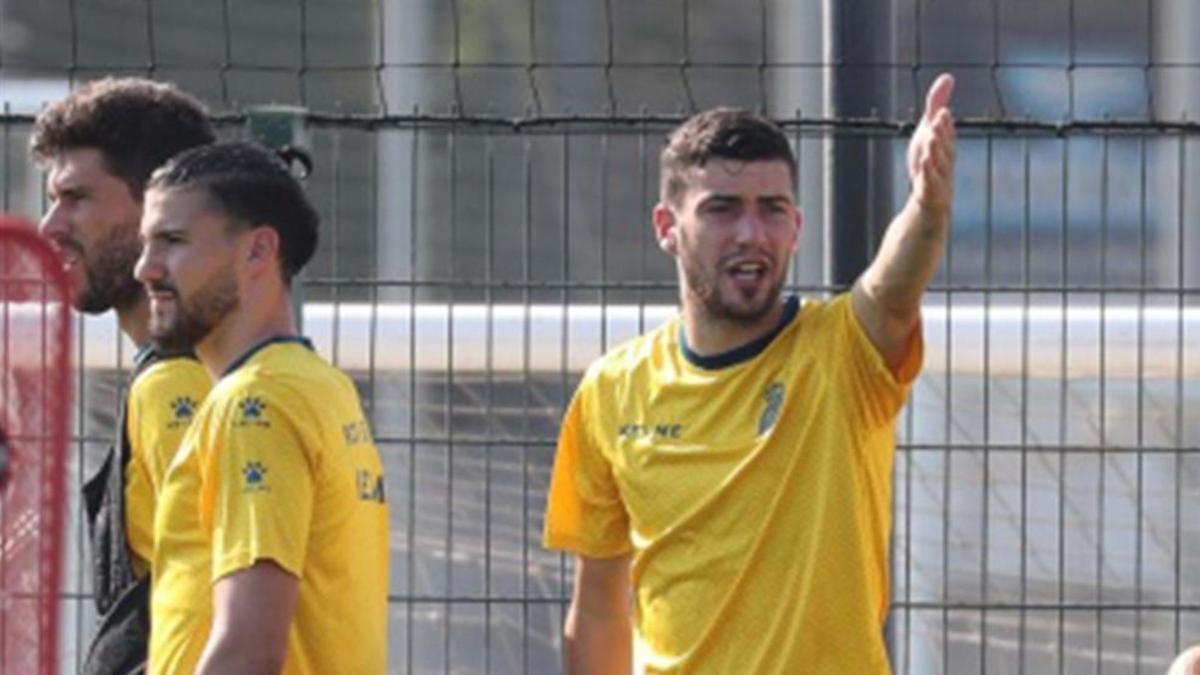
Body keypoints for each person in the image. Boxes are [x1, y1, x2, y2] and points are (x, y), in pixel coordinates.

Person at [542, 74, 957, 673]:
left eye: (772, 210)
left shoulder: (842, 353)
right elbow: (601, 606)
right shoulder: (612, 390)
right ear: (667, 228)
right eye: (722, 209)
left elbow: (893, 289)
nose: (751, 234)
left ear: (796, 228)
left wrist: (926, 206)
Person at [134, 141, 389, 674]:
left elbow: (249, 651)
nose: (145, 269)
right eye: (145, 244)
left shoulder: (256, 402)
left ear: (257, 252)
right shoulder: (317, 385)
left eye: (172, 241)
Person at [30, 77, 216, 675]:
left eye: (75, 198)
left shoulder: (182, 387)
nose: (50, 226)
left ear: (157, 205)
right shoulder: (174, 376)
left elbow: (220, 616)